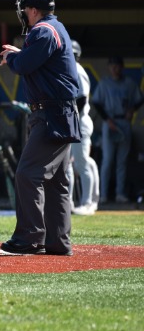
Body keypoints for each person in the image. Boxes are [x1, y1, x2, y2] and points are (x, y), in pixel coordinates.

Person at [0, 0, 81, 256]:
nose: (24, 14)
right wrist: (19, 54)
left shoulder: (43, 30)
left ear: (33, 10)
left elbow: (23, 65)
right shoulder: (55, 27)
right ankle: (58, 242)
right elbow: (33, 60)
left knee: (27, 173)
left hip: (51, 114)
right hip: (59, 113)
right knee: (56, 181)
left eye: (25, 9)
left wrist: (13, 56)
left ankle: (30, 237)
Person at [92, 55, 143, 204]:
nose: (115, 68)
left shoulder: (128, 83)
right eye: (112, 65)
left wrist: (132, 109)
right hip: (110, 122)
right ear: (109, 67)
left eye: (117, 65)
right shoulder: (105, 83)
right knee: (107, 160)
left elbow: (140, 98)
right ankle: (102, 195)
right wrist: (107, 120)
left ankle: (120, 193)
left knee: (122, 161)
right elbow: (97, 103)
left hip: (124, 122)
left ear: (122, 67)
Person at [68, 40, 100, 215]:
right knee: (80, 162)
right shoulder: (70, 68)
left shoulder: (77, 69)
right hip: (75, 122)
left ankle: (88, 203)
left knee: (81, 163)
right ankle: (88, 200)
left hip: (79, 121)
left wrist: (69, 119)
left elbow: (81, 99)